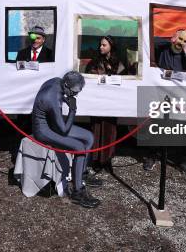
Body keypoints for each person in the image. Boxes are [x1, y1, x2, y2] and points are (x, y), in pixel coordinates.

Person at [31, 71, 102, 208]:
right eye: (74, 92)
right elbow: (63, 131)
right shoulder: (51, 98)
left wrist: (65, 99)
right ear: (66, 85)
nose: (75, 95)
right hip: (43, 130)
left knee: (89, 137)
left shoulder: (58, 80)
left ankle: (80, 174)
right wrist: (72, 110)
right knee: (79, 147)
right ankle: (77, 191)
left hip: (52, 123)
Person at [84, 35, 122, 170]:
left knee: (110, 129)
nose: (101, 47)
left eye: (104, 45)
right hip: (97, 100)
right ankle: (95, 159)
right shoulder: (94, 62)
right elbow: (89, 75)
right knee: (96, 127)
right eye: (100, 45)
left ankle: (107, 159)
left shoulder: (119, 62)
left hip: (112, 101)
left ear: (111, 46)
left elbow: (124, 76)